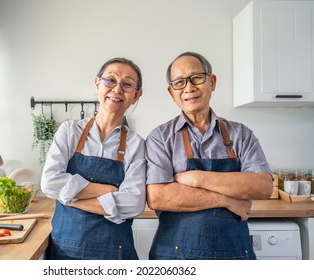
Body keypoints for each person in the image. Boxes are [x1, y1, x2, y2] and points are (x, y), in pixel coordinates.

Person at [145, 51, 273, 260]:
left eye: (196, 78)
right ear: (171, 92)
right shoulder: (160, 138)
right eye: (179, 82)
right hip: (175, 258)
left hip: (234, 254)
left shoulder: (241, 134)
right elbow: (158, 197)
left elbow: (263, 186)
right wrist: (227, 200)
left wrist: (196, 178)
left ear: (211, 82)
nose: (189, 88)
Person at [41, 57, 146, 260]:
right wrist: (105, 190)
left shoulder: (136, 144)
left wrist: (69, 198)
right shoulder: (69, 131)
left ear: (136, 95)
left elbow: (133, 204)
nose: (117, 89)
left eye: (127, 84)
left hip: (115, 254)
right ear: (97, 84)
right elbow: (49, 183)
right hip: (64, 252)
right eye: (110, 80)